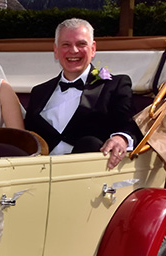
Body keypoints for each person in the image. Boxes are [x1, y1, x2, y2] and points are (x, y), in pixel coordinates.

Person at [24, 18, 142, 169]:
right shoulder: (39, 92)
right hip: (40, 174)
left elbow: (130, 125)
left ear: (93, 49)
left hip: (89, 176)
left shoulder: (115, 85)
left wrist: (121, 138)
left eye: (81, 44)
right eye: (66, 44)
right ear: (56, 50)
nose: (73, 50)